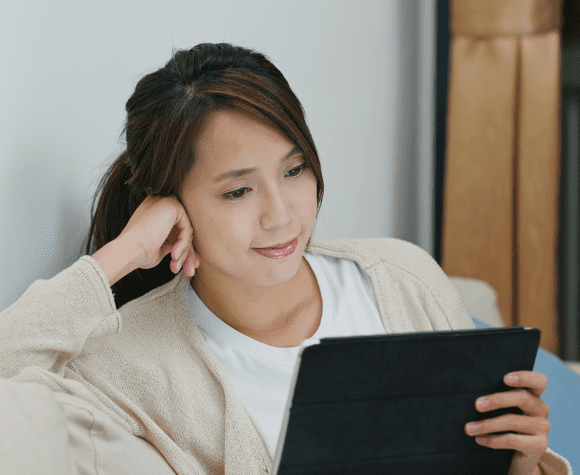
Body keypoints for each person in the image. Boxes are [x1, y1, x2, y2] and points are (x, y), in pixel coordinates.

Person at [0, 43, 571, 475]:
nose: (281, 215)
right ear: (171, 204)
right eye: (237, 191)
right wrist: (121, 253)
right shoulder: (132, 357)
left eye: (294, 170)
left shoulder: (401, 276)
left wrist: (522, 460)